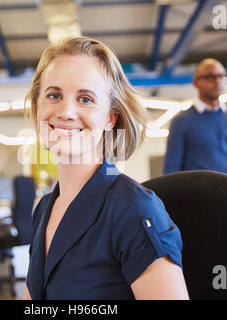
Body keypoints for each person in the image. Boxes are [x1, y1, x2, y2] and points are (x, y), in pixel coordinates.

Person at [21, 36, 188, 300]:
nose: (66, 111)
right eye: (53, 95)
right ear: (37, 105)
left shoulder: (134, 209)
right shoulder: (44, 208)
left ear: (110, 118)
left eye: (85, 99)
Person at [163, 58, 227, 192]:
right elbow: (172, 168)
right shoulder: (181, 122)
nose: (217, 81)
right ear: (195, 82)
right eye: (210, 77)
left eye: (221, 76)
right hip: (196, 198)